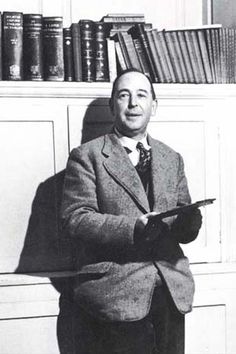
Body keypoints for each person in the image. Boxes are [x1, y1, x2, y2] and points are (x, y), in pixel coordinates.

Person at [61, 68, 202, 354]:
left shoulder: (171, 158)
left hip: (171, 292)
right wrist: (132, 228)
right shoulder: (86, 156)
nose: (133, 103)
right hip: (113, 295)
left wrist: (191, 221)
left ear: (154, 105)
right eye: (124, 96)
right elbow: (75, 219)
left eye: (141, 95)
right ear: (113, 106)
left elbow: (182, 225)